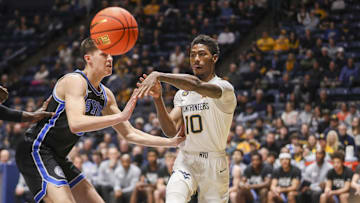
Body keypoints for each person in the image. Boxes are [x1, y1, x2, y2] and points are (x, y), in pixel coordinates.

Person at [15, 38, 184, 203]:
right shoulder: (75, 81)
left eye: (111, 55)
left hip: (58, 156)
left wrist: (172, 142)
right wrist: (120, 116)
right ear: (88, 58)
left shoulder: (106, 95)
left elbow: (130, 133)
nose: (110, 59)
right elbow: (76, 124)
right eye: (104, 55)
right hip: (36, 149)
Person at [137, 34, 237, 202]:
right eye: (192, 54)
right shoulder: (182, 94)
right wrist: (158, 99)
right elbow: (170, 131)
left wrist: (159, 75)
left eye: (202, 54)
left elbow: (197, 85)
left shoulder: (224, 88)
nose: (196, 59)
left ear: (215, 58)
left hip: (213, 162)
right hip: (186, 159)